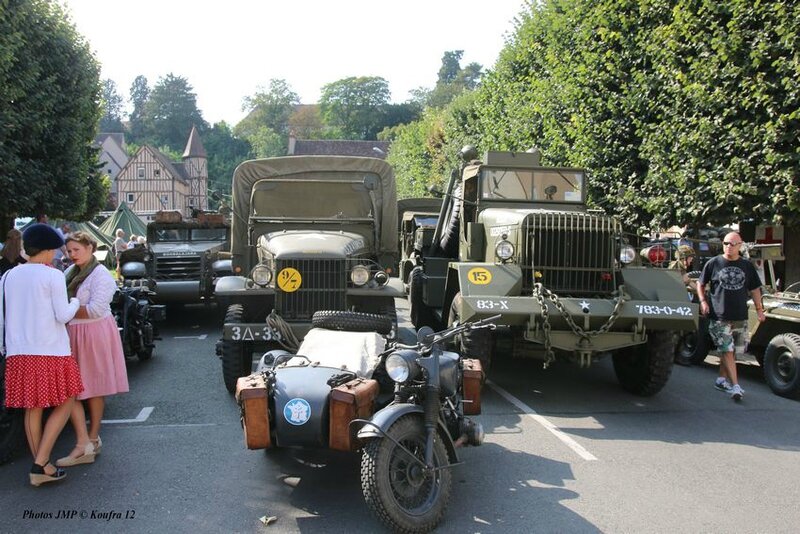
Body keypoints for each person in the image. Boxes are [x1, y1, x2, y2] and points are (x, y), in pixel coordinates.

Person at [0, 223, 81, 486]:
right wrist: (76, 302)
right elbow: (63, 315)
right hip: (50, 349)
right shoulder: (53, 276)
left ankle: (41, 464)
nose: (57, 255)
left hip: (18, 351)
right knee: (67, 399)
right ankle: (41, 461)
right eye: (55, 250)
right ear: (46, 250)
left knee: (32, 408)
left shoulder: (9, 276)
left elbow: (3, 317)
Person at [57, 232, 129, 467]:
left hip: (93, 332)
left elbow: (96, 310)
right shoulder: (71, 273)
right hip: (73, 332)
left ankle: (92, 437)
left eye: (76, 249)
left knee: (94, 386)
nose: (72, 254)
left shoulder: (100, 275)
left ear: (90, 247)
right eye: (69, 251)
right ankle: (85, 440)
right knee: (72, 388)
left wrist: (66, 309)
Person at [697, 232, 766, 401]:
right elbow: (700, 283)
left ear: (740, 245)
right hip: (719, 315)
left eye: (733, 244)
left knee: (731, 351)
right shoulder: (713, 263)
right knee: (727, 350)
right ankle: (735, 386)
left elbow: (755, 289)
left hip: (739, 316)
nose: (729, 246)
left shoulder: (747, 266)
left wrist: (759, 310)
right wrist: (703, 301)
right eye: (726, 243)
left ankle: (721, 380)